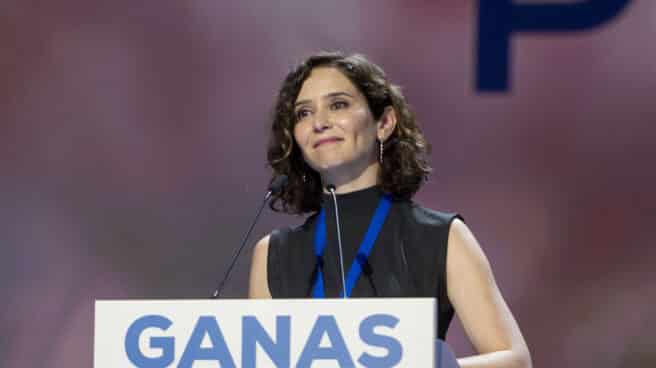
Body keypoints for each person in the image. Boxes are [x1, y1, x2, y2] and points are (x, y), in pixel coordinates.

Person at [248, 51, 531, 367]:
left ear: (384, 123)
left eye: (338, 104)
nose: (319, 123)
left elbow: (515, 360)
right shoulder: (274, 254)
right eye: (303, 113)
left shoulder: (441, 237)